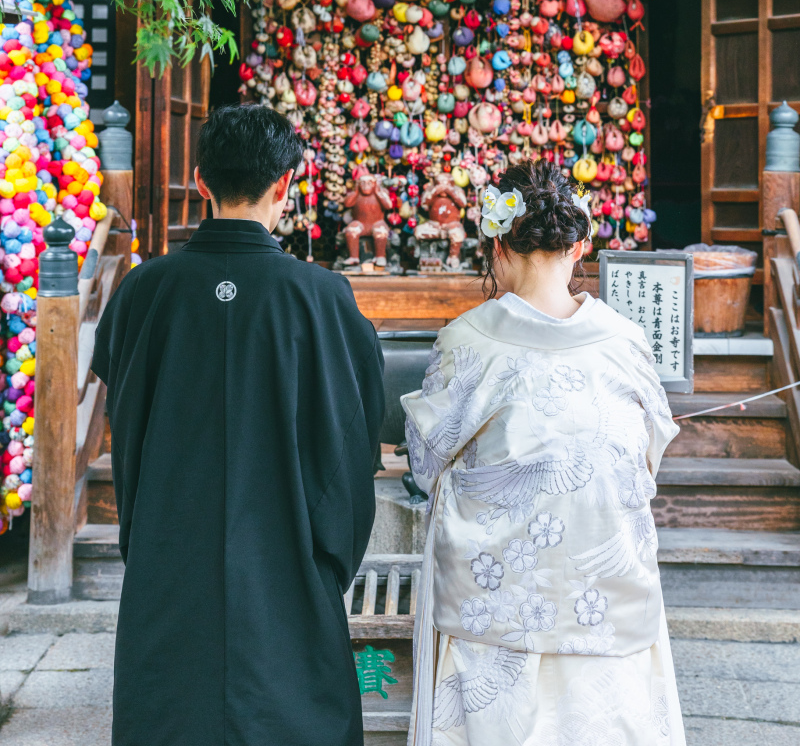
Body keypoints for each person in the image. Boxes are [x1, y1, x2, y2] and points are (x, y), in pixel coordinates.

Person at [92, 104, 384, 746]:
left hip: (169, 549)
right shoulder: (321, 295)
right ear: (285, 183)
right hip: (288, 556)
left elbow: (125, 415)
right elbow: (353, 437)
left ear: (201, 181)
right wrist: (329, 557)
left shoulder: (144, 289)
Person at [402, 160, 684, 746]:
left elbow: (426, 466)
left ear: (498, 245)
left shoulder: (467, 340)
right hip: (606, 606)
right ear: (580, 247)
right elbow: (648, 461)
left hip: (493, 608)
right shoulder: (625, 343)